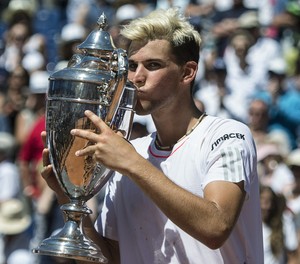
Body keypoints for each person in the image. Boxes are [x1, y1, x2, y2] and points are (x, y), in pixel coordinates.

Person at [41, 8, 263, 263]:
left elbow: (216, 227)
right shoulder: (126, 153)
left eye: (153, 65)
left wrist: (133, 163)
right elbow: (111, 258)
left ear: (187, 72)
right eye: (133, 65)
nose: (136, 78)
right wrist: (67, 196)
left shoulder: (228, 135)